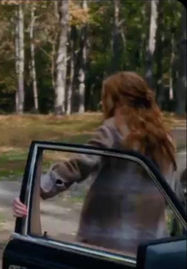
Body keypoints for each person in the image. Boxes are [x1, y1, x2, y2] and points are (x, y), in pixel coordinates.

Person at [13, 71, 185, 254]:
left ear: (117, 99)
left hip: (105, 244)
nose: (103, 103)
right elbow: (171, 191)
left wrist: (38, 189)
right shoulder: (164, 137)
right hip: (150, 249)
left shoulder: (113, 128)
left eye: (105, 97)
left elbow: (81, 164)